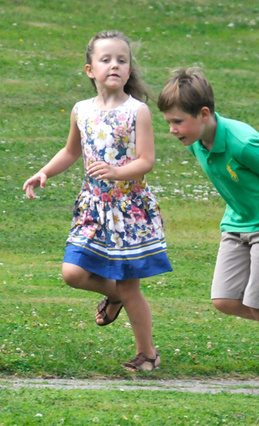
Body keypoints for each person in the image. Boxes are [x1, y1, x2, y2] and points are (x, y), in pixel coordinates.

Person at [157, 67, 259, 397]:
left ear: (204, 114)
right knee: (225, 300)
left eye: (178, 122)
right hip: (236, 224)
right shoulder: (197, 141)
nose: (172, 130)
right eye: (169, 123)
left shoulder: (243, 143)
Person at [22, 30, 172, 371]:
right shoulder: (81, 110)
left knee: (129, 284)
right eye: (106, 60)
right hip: (93, 207)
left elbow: (146, 160)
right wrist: (44, 172)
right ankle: (114, 295)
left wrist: (118, 172)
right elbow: (71, 151)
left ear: (130, 69)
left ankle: (147, 354)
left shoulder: (138, 112)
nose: (115, 65)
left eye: (122, 60)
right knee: (73, 272)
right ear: (90, 69)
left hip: (129, 210)